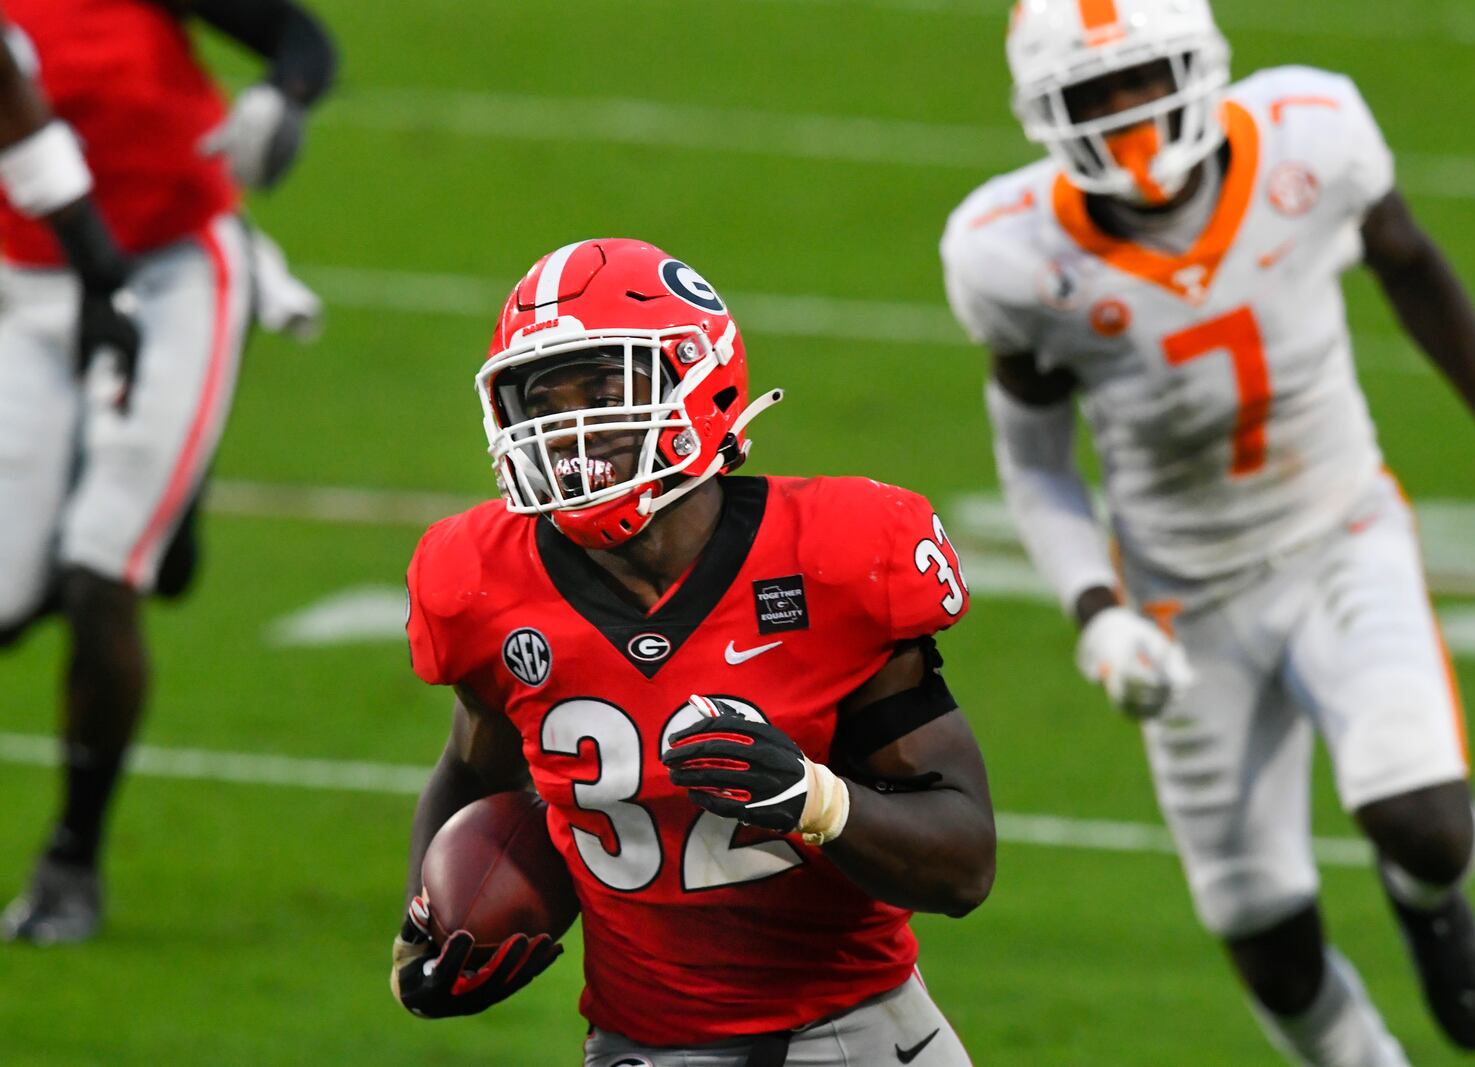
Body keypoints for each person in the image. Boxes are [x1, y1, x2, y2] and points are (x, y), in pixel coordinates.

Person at [940, 1, 1475, 1064]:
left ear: (1200, 62)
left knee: (1426, 821)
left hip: (1337, 528)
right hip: (1183, 597)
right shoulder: (1011, 253)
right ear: (1045, 111)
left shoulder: (1310, 133)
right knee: (1264, 936)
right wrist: (1097, 613)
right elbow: (1035, 462)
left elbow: (1409, 262)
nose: (1130, 115)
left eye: (1144, 79)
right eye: (1094, 95)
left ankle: (1427, 901)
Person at [391, 239, 996, 1067]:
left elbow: (963, 863)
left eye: (605, 389)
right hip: (646, 1045)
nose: (574, 430)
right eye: (544, 399)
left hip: (865, 1032)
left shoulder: (839, 554)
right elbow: (474, 766)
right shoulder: (480, 580)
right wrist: (427, 927)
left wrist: (814, 798)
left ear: (699, 382)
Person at [0, 0, 337, 944]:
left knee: (105, 571)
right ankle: (157, 508)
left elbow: (298, 36)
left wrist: (283, 100)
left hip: (176, 264)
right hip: (27, 285)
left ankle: (71, 859)